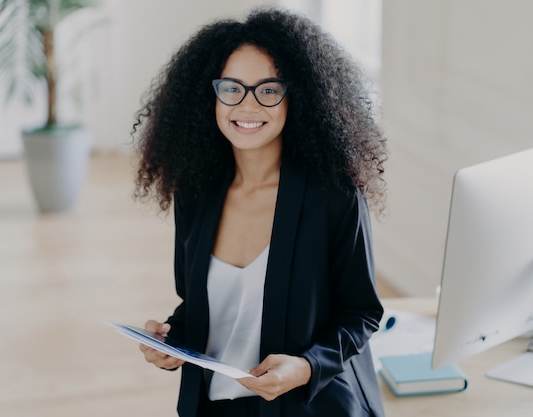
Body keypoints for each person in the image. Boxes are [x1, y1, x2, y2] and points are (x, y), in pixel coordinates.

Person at [131, 6, 388, 417]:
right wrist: (171, 339)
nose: (247, 106)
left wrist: (306, 367)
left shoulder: (333, 196)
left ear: (296, 97)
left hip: (308, 407)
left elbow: (361, 313)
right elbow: (199, 303)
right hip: (214, 406)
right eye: (232, 88)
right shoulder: (196, 194)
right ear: (210, 97)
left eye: (268, 90)